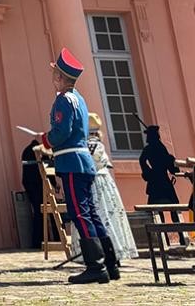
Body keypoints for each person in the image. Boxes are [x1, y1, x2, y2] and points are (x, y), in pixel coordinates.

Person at [40, 48, 111, 284]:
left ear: (61, 78)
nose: (52, 79)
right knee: (90, 212)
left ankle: (96, 266)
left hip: (71, 161)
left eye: (54, 75)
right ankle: (110, 263)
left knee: (79, 213)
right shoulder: (79, 98)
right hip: (84, 162)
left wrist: (46, 140)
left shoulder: (63, 100)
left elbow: (62, 132)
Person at [72, 113, 136, 277]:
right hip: (102, 182)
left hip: (96, 182)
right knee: (104, 217)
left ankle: (105, 257)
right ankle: (109, 258)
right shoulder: (94, 144)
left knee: (99, 216)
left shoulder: (90, 144)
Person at [139, 124, 180, 204]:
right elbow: (142, 160)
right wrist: (148, 172)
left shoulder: (158, 148)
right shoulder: (156, 148)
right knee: (156, 205)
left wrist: (147, 172)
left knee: (173, 204)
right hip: (158, 178)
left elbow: (167, 161)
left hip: (159, 178)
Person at [20, 138, 44, 249]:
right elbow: (43, 169)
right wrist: (54, 184)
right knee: (43, 212)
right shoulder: (40, 150)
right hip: (39, 185)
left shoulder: (26, 150)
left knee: (37, 213)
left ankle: (37, 241)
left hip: (29, 184)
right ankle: (53, 238)